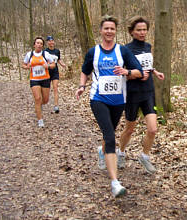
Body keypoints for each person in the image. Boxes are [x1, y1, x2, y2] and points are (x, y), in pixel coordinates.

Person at [75, 16, 143, 197]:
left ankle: (102, 151)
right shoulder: (93, 52)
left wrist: (126, 71)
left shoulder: (122, 51)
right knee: (110, 136)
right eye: (106, 28)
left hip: (118, 100)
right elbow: (85, 71)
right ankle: (115, 182)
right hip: (98, 98)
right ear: (101, 30)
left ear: (115, 31)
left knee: (109, 134)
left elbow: (139, 72)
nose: (109, 31)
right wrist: (82, 86)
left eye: (112, 28)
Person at [117, 16, 164, 174]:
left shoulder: (148, 46)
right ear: (131, 32)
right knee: (129, 129)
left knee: (152, 129)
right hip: (133, 93)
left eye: (144, 29)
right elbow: (122, 73)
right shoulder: (126, 50)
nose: (142, 32)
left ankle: (144, 156)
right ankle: (121, 152)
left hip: (148, 92)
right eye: (139, 30)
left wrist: (155, 72)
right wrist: (134, 75)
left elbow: (147, 66)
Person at [22, 37, 56, 128]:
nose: (39, 45)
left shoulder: (46, 54)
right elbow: (23, 65)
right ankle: (40, 120)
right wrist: (27, 66)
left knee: (45, 100)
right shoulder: (29, 55)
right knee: (37, 98)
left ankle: (39, 106)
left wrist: (48, 66)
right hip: (34, 80)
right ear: (34, 44)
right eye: (37, 43)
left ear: (42, 46)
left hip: (45, 79)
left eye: (41, 43)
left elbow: (53, 65)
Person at [45, 35, 66, 113]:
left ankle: (56, 106)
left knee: (55, 87)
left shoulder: (57, 51)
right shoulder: (45, 52)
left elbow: (59, 59)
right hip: (47, 72)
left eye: (52, 41)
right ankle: (42, 101)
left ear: (54, 42)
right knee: (46, 90)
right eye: (49, 41)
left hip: (55, 72)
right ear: (47, 43)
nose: (51, 42)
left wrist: (62, 64)